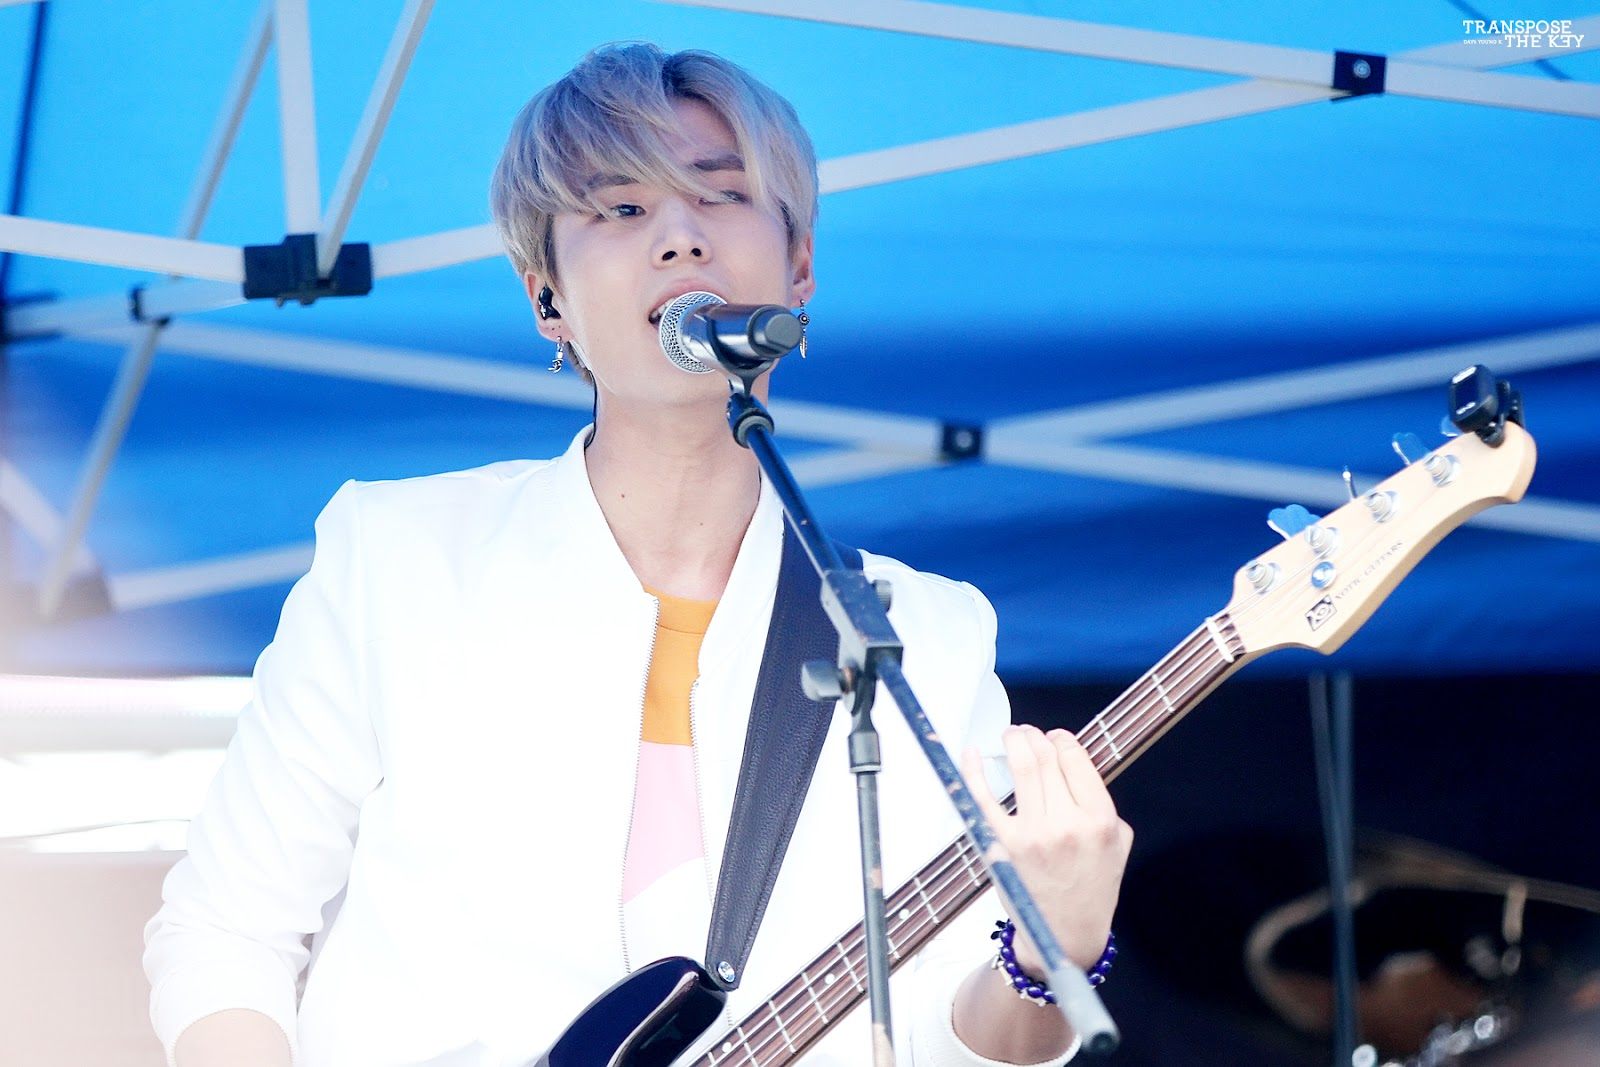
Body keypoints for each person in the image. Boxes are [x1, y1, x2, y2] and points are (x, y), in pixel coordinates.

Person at [144, 43, 1132, 1067]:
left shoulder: (921, 631)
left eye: (722, 194)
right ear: (547, 298)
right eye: (620, 207)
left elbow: (948, 1033)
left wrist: (1051, 948)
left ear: (799, 264)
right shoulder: (395, 560)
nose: (679, 236)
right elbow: (226, 931)